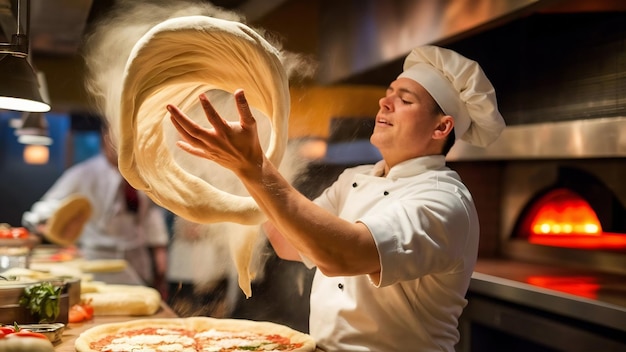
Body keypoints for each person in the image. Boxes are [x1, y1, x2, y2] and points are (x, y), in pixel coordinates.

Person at [166, 45, 505, 351]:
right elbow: (290, 242)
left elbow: (340, 254)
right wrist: (245, 170)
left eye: (405, 99)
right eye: (388, 94)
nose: (384, 102)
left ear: (441, 128)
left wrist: (256, 167)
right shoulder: (355, 178)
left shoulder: (443, 200)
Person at [22, 124, 169, 291]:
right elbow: (45, 208)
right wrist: (45, 224)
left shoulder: (143, 174)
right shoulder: (82, 174)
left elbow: (151, 216)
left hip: (137, 258)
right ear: (105, 138)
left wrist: (160, 257)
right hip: (97, 259)